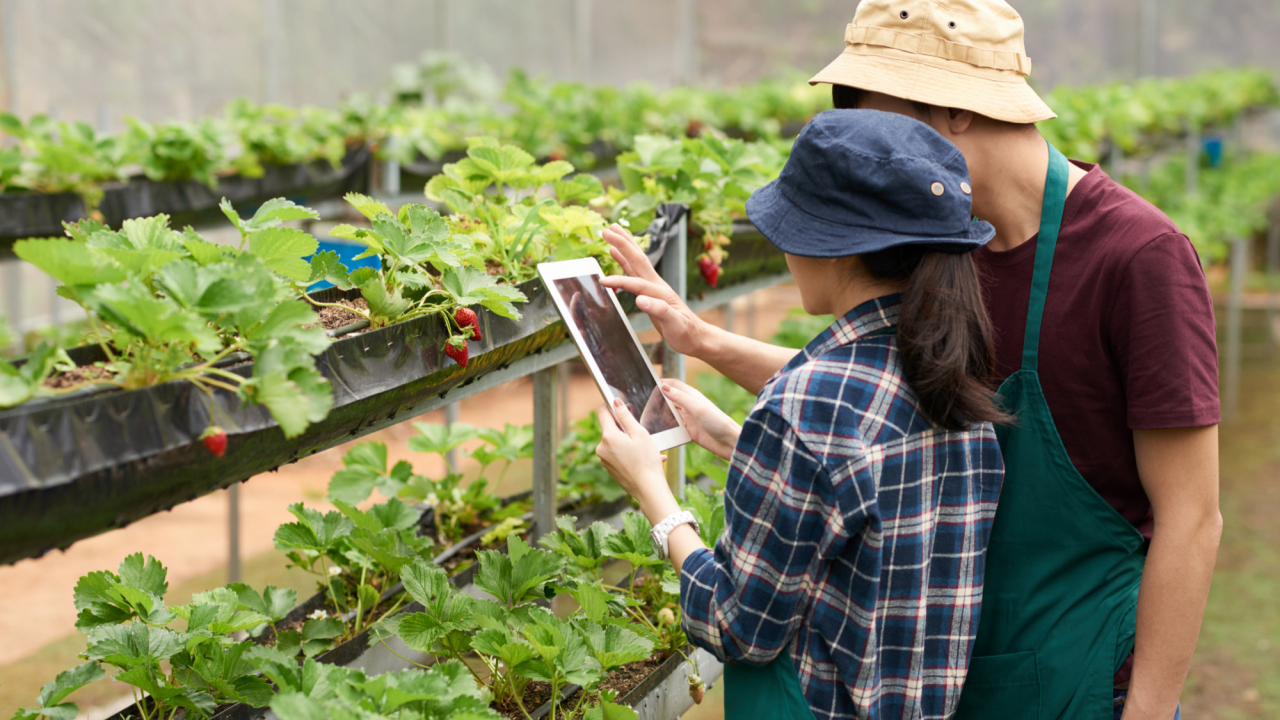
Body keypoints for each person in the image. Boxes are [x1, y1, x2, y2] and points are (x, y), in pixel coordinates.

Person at [604, 2, 1222, 718]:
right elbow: (877, 397)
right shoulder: (940, 246)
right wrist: (702, 340)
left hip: (1081, 680)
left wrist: (1148, 711)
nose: (863, 139)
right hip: (946, 677)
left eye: (869, 110)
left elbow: (1192, 517)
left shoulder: (1137, 257)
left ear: (954, 108)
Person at [595, 109, 1006, 720]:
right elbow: (862, 508)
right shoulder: (955, 377)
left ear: (835, 248)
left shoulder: (806, 406)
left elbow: (737, 625)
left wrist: (653, 492)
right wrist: (738, 439)